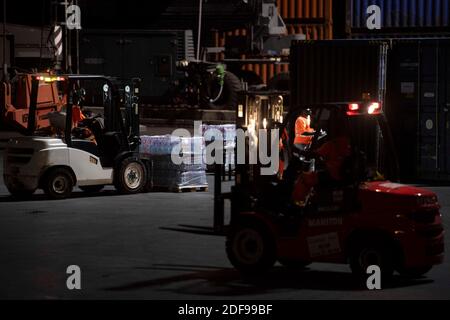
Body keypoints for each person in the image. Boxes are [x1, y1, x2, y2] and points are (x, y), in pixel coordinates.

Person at [291, 111, 352, 207]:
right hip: (346, 176)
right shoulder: (349, 142)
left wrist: (300, 152)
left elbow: (314, 154)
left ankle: (296, 205)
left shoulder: (332, 144)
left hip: (332, 175)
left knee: (304, 177)